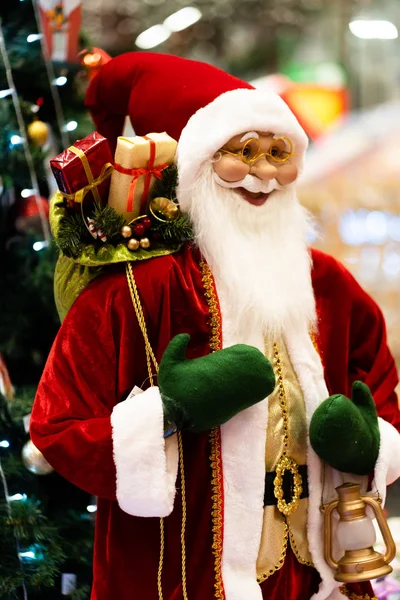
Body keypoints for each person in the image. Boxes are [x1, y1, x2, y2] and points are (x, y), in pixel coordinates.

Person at [31, 53, 400, 600]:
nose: (264, 173)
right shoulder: (138, 289)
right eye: (243, 153)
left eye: (280, 153)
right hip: (186, 576)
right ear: (200, 166)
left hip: (316, 573)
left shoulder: (329, 284)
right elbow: (58, 426)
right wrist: (168, 413)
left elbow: (384, 392)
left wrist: (369, 444)